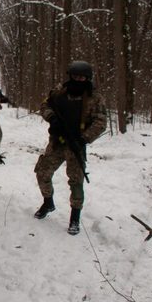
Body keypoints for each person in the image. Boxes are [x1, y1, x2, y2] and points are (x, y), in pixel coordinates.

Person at [33, 61, 107, 235]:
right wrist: (52, 118)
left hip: (76, 145)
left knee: (75, 182)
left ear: (87, 78)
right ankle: (48, 202)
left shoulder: (95, 97)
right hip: (57, 142)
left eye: (81, 77)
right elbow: (45, 105)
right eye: (75, 76)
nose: (77, 79)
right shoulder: (60, 90)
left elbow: (101, 122)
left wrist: (84, 138)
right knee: (42, 172)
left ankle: (75, 217)